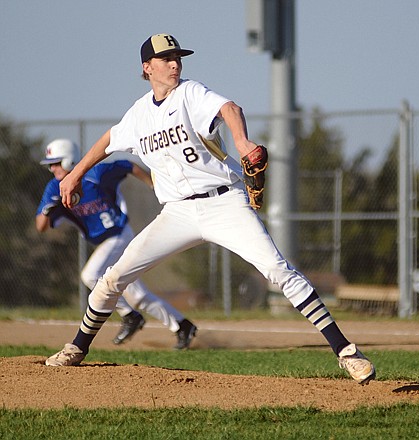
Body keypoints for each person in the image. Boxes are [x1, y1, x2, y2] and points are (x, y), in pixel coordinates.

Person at [45, 34, 375, 384]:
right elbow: (110, 139)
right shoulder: (139, 114)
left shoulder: (190, 93)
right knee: (112, 278)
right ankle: (77, 347)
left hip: (224, 202)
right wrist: (75, 175)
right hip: (176, 213)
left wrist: (243, 142)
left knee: (278, 271)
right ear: (147, 68)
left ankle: (347, 352)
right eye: (166, 58)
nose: (175, 63)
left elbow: (230, 109)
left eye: (178, 57)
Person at [37, 138, 197, 350]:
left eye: (56, 162)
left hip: (119, 234)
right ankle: (182, 325)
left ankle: (129, 315)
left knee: (90, 275)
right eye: (51, 164)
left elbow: (128, 165)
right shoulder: (54, 188)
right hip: (103, 243)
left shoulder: (95, 174)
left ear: (69, 160)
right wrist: (49, 209)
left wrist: (153, 186)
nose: (52, 168)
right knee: (138, 295)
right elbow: (41, 226)